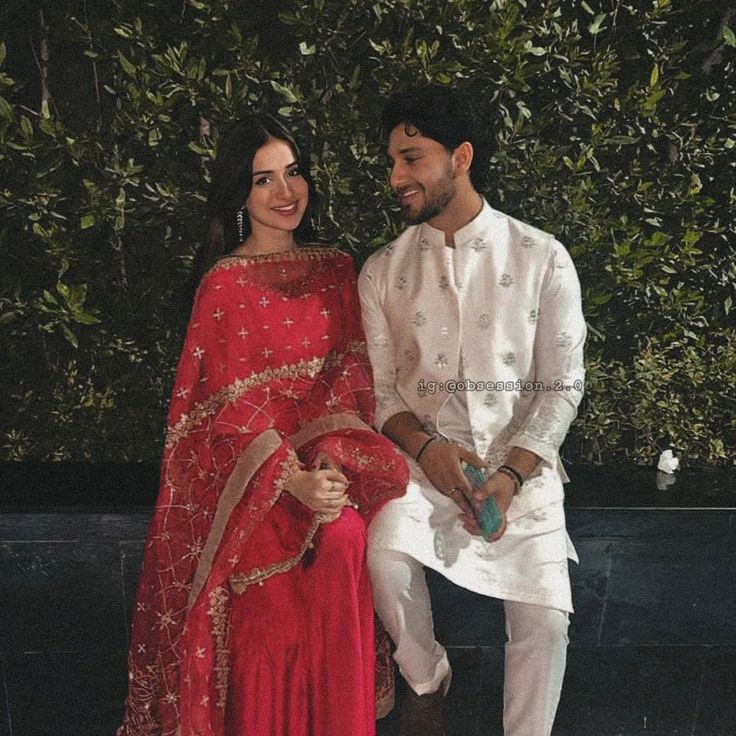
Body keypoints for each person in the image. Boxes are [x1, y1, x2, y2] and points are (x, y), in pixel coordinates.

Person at [118, 113, 408, 736]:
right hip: (251, 496)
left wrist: (329, 463)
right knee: (270, 611)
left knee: (345, 541)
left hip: (329, 477)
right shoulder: (221, 287)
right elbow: (210, 427)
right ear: (239, 196)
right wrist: (289, 480)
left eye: (294, 172)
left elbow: (353, 384)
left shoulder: (336, 271)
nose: (286, 192)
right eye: (264, 180)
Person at [358, 86, 586, 736]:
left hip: (523, 470)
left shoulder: (543, 258)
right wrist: (428, 452)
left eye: (411, 159)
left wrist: (511, 476)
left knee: (545, 623)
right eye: (391, 161)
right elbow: (382, 393)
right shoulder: (382, 273)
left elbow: (562, 385)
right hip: (422, 467)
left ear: (460, 157)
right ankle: (427, 679)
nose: (395, 177)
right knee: (384, 554)